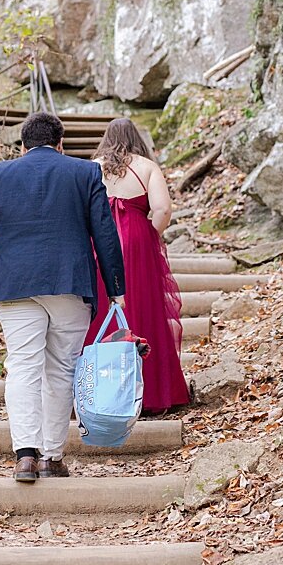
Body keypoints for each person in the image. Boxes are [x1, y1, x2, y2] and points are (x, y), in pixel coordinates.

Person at [0, 111, 125, 481]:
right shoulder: (84, 173)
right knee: (61, 369)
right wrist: (116, 289)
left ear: (22, 146)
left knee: (22, 366)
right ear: (61, 143)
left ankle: (25, 456)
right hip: (69, 284)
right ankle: (51, 457)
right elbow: (106, 233)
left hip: (12, 285)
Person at [82, 117, 187, 415]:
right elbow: (163, 208)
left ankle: (98, 391)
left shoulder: (94, 166)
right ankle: (150, 395)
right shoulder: (146, 166)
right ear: (136, 137)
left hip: (100, 241)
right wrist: (150, 234)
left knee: (102, 308)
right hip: (138, 241)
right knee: (143, 306)